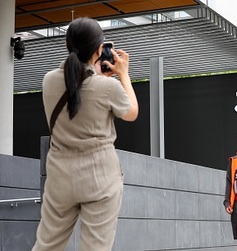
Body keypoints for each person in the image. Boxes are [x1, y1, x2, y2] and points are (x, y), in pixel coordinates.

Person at [32, 17, 139, 251]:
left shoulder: (49, 81)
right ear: (100, 50)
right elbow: (131, 112)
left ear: (67, 46)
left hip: (60, 175)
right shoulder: (107, 87)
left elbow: (79, 92)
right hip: (100, 175)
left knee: (46, 245)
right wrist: (123, 75)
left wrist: (95, 76)